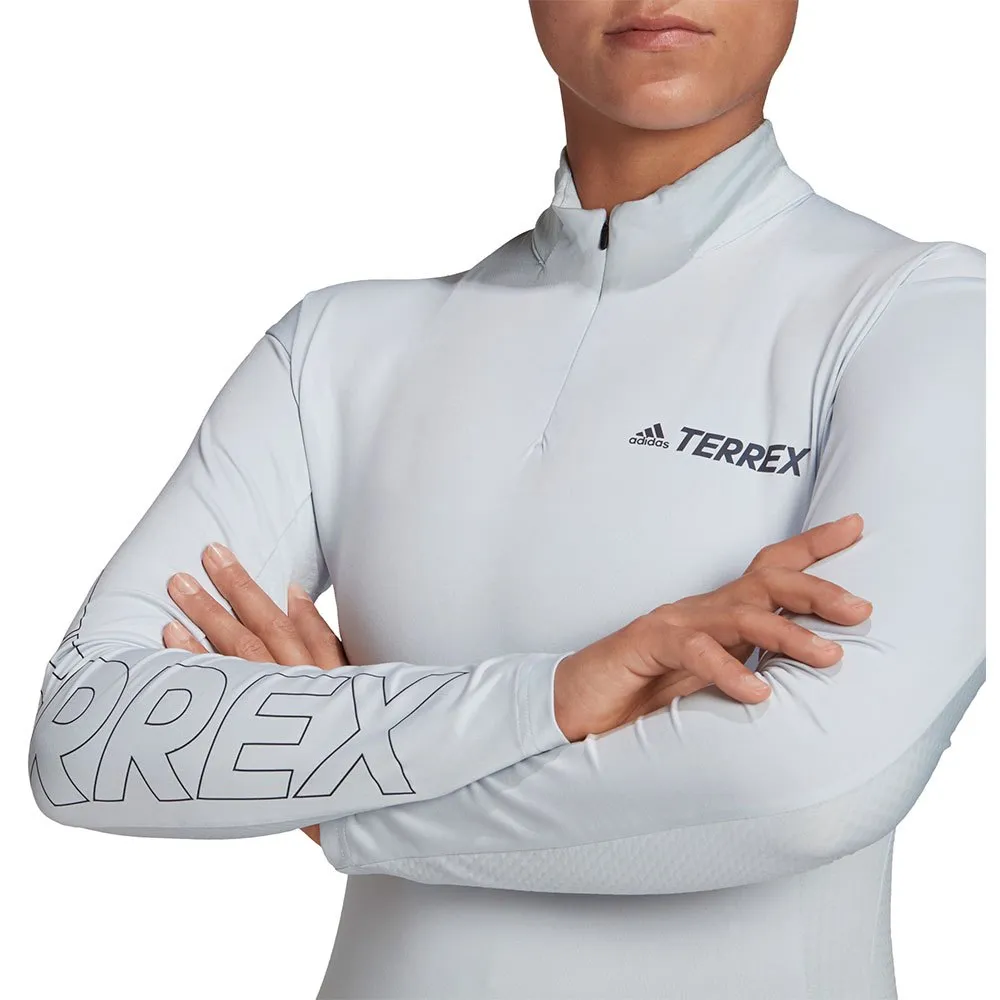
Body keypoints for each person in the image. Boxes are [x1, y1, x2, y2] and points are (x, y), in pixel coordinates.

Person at [27, 1, 984, 998]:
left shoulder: (925, 320)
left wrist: (331, 791)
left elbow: (808, 791)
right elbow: (85, 737)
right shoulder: (341, 349)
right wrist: (560, 694)